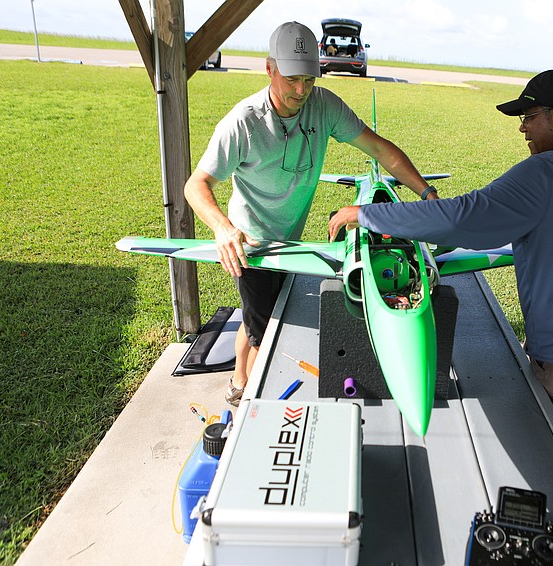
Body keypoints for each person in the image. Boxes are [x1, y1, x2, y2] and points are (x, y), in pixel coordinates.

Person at [328, 69, 553, 546]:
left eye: (529, 117)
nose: (522, 128)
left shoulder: (545, 174)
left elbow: (464, 219)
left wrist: (369, 214)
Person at [184, 21, 437, 407]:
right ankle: (249, 399)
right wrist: (222, 228)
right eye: (292, 80)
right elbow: (196, 185)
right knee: (265, 331)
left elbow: (380, 150)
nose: (301, 91)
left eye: (309, 79)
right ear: (269, 69)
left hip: (292, 238)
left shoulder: (324, 106)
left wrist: (427, 193)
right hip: (251, 242)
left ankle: (237, 378)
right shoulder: (243, 122)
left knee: (259, 315)